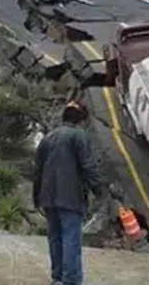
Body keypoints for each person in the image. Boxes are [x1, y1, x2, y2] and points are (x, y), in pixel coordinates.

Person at [34, 101, 107, 285]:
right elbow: (88, 165)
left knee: (55, 238)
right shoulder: (78, 136)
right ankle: (71, 280)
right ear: (80, 120)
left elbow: (37, 171)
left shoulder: (47, 139)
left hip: (48, 197)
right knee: (71, 238)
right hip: (70, 196)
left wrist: (36, 198)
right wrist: (99, 189)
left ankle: (57, 278)